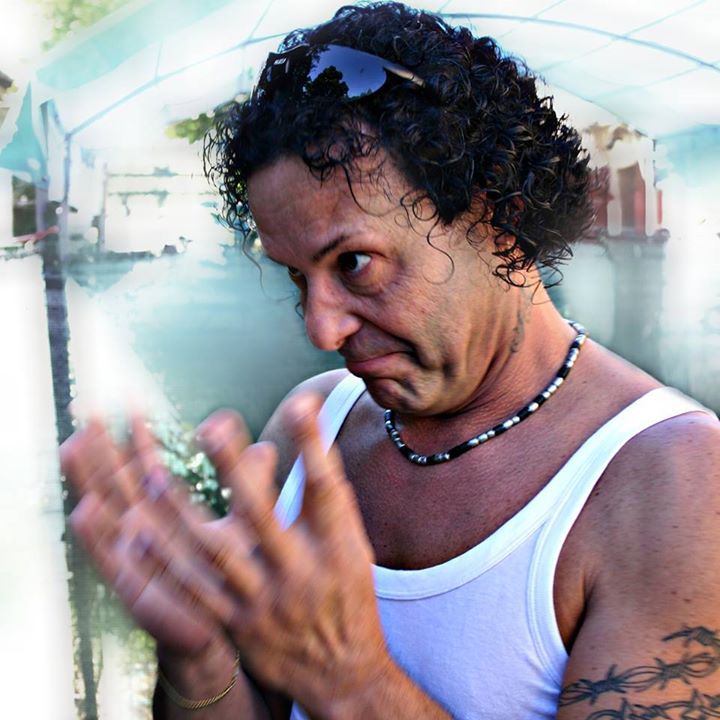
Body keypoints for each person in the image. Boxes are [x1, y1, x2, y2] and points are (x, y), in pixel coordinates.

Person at [59, 3, 720, 719]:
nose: (321, 327)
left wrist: (352, 682)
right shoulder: (314, 430)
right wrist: (199, 656)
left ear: (495, 215)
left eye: (354, 263)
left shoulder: (674, 483)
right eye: (297, 276)